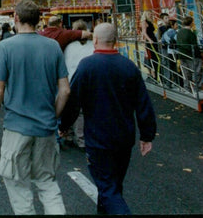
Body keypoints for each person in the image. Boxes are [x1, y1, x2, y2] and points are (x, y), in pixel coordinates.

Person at [59, 22, 157, 215]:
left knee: (107, 188)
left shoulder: (87, 66)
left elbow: (73, 101)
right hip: (124, 136)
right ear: (115, 41)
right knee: (114, 186)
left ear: (95, 40)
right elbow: (143, 104)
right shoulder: (129, 66)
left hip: (98, 138)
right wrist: (147, 135)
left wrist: (64, 125)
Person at [0, 0, 70, 215]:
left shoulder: (5, 47)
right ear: (38, 20)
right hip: (46, 128)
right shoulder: (53, 47)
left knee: (18, 185)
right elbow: (65, 90)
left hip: (17, 127)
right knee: (47, 182)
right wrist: (54, 114)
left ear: (16, 18)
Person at [62, 19, 94, 149]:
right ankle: (81, 138)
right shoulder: (92, 45)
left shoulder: (68, 46)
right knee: (81, 112)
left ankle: (68, 135)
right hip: (87, 82)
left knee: (68, 108)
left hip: (69, 80)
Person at [176, 16, 203, 95]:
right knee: (197, 72)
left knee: (186, 73)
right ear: (191, 23)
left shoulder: (179, 32)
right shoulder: (191, 34)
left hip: (182, 55)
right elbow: (194, 46)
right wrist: (199, 54)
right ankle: (197, 89)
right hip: (192, 56)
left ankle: (187, 88)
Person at [161, 17, 181, 87]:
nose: (177, 26)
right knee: (176, 68)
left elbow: (162, 41)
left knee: (171, 67)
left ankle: (169, 83)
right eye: (176, 24)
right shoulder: (174, 32)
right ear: (172, 26)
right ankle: (178, 83)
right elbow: (178, 40)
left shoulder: (165, 33)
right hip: (175, 51)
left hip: (169, 51)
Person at [140, 10, 160, 81]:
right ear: (145, 15)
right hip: (150, 41)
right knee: (153, 58)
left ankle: (155, 76)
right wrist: (149, 40)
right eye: (149, 14)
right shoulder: (144, 22)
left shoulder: (150, 22)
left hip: (153, 40)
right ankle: (154, 76)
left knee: (155, 58)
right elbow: (144, 33)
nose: (150, 15)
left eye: (151, 14)